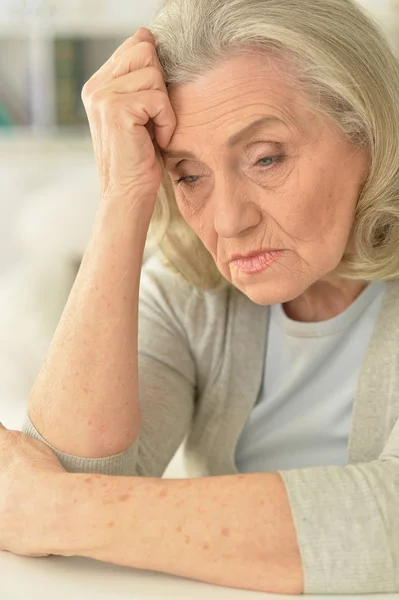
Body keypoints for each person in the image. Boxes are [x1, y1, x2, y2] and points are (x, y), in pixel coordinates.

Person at [1, 0, 398, 595]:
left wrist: (62, 509)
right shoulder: (190, 295)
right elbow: (72, 478)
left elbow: (385, 527)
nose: (229, 222)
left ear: (368, 134)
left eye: (266, 158)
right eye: (188, 174)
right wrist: (123, 196)